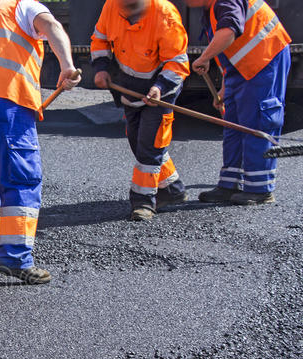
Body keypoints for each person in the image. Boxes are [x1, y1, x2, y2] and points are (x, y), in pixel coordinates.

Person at [0, 0, 80, 284]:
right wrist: (67, 65)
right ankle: (16, 257)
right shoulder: (25, 6)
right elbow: (52, 26)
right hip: (4, 97)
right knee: (20, 176)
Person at [91, 0, 191, 221]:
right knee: (137, 140)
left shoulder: (165, 15)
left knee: (150, 145)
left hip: (161, 91)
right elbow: (100, 39)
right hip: (129, 87)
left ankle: (143, 202)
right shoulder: (111, 6)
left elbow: (177, 62)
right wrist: (101, 68)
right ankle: (173, 188)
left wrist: (159, 87)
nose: (128, 12)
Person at [184, 0, 291, 205]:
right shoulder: (211, 8)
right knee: (233, 123)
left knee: (258, 121)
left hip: (265, 57)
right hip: (241, 67)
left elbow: (229, 31)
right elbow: (232, 50)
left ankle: (260, 189)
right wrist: (226, 88)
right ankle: (229, 184)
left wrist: (204, 57)